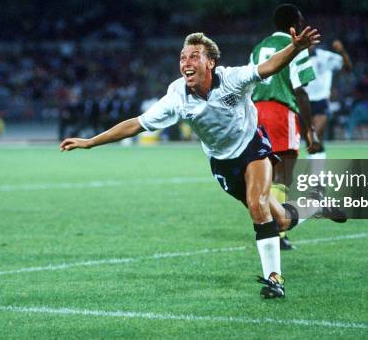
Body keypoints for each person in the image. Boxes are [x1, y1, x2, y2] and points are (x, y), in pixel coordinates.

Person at [60, 30, 341, 299]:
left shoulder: (232, 78)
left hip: (253, 147)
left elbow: (267, 67)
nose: (186, 62)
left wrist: (295, 47)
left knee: (257, 206)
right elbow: (137, 124)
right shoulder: (177, 96)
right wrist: (90, 142)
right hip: (223, 163)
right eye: (183, 58)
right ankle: (314, 205)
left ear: (211, 62)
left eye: (194, 56)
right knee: (280, 219)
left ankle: (274, 280)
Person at [249, 4, 321, 251]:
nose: (303, 26)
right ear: (294, 25)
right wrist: (311, 131)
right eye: (300, 21)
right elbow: (300, 90)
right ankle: (277, 234)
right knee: (283, 175)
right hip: (280, 111)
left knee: (264, 175)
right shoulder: (296, 43)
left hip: (256, 112)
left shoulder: (259, 47)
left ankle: (267, 226)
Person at [305, 39, 352, 158]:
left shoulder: (325, 56)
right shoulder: (295, 58)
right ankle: (317, 170)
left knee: (315, 134)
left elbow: (347, 67)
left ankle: (316, 173)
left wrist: (342, 51)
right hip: (303, 101)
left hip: (321, 100)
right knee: (312, 139)